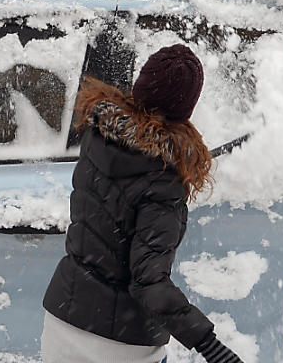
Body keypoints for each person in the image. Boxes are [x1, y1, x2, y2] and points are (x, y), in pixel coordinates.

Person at [41, 44, 243, 363]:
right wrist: (208, 343)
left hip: (62, 322)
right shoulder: (162, 179)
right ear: (185, 108)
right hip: (118, 343)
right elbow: (148, 281)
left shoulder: (99, 135)